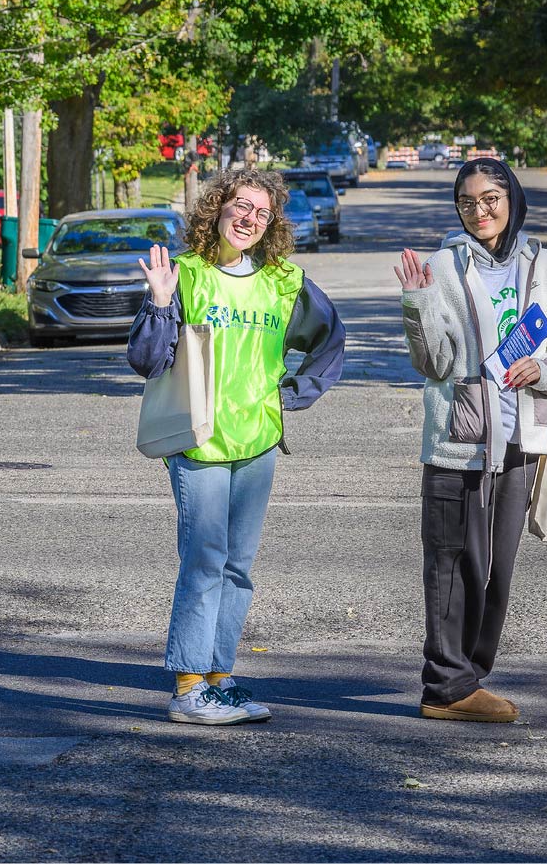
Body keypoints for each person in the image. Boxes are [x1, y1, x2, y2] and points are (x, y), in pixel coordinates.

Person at [128, 168, 344, 726]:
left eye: (261, 212)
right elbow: (147, 361)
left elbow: (329, 339)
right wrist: (158, 303)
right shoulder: (188, 275)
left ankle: (221, 679)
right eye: (239, 206)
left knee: (238, 567)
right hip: (198, 441)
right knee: (203, 561)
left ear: (270, 224)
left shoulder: (284, 282)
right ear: (216, 209)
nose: (248, 218)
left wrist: (293, 393)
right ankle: (188, 687)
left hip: (257, 441)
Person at [396, 158, 547, 723]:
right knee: (452, 563)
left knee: (498, 568)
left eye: (489, 199)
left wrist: (545, 369)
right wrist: (418, 303)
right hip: (460, 438)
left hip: (523, 440)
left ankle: (467, 678)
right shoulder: (443, 266)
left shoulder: (545, 266)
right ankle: (447, 687)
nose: (479, 211)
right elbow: (433, 363)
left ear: (512, 198)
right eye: (467, 202)